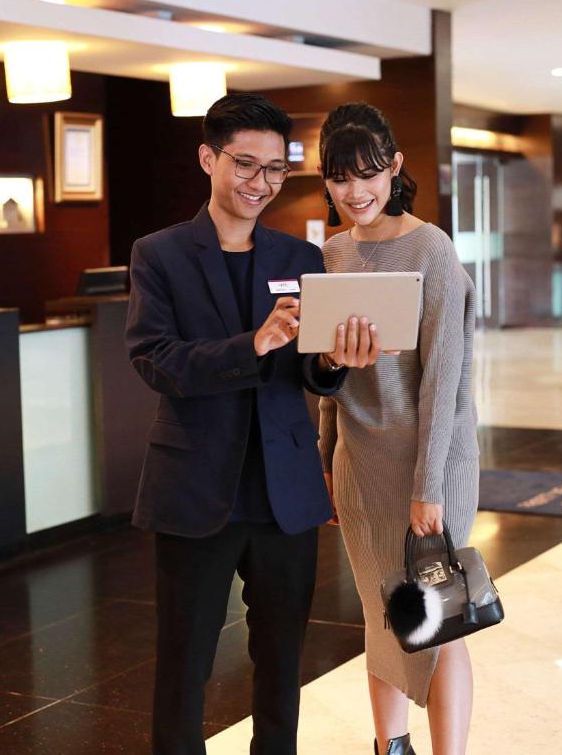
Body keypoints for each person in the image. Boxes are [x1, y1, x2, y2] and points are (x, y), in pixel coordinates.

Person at [125, 92, 382, 755]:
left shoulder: (297, 256)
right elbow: (155, 360)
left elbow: (312, 376)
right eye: (246, 165)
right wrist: (252, 345)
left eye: (275, 170)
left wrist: (333, 362)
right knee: (184, 666)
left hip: (284, 491)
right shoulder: (160, 254)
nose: (260, 183)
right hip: (195, 487)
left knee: (282, 665)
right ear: (208, 158)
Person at [317, 102, 479, 755]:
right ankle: (390, 747)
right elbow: (328, 375)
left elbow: (445, 379)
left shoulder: (431, 248)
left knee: (440, 620)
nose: (355, 192)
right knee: (383, 619)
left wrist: (428, 486)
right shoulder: (331, 252)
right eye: (339, 178)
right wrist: (327, 461)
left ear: (395, 169)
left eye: (368, 174)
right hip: (362, 467)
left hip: (431, 464)